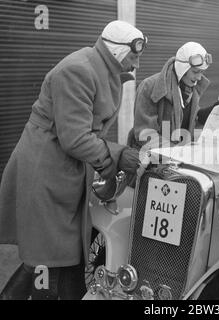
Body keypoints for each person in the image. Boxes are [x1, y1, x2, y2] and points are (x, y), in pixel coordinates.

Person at [0, 20, 145, 300]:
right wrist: (117, 156)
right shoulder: (78, 70)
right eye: (134, 54)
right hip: (47, 167)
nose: (138, 61)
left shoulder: (102, 68)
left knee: (51, 251)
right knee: (50, 254)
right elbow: (75, 138)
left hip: (63, 166)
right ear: (116, 50)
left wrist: (108, 160)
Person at [127, 42, 215, 152]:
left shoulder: (191, 89)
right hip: (148, 160)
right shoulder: (149, 86)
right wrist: (177, 152)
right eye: (195, 72)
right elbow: (145, 134)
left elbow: (188, 123)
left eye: (202, 72)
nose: (199, 77)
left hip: (176, 158)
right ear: (182, 68)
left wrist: (208, 113)